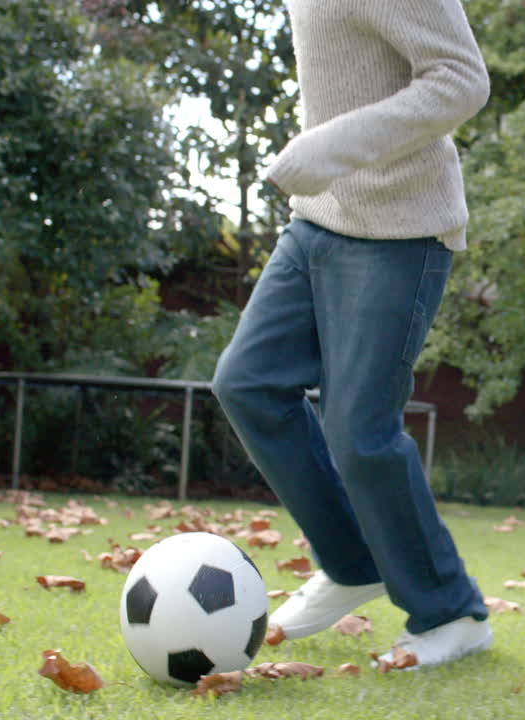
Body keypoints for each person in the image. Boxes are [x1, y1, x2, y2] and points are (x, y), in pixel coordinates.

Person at [211, 0, 492, 669]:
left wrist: (332, 147)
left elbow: (461, 78)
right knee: (247, 385)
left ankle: (451, 612)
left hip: (400, 230)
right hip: (317, 220)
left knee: (359, 430)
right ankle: (352, 563)